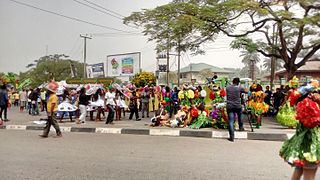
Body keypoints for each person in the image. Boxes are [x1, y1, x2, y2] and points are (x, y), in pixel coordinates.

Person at [226, 77, 246, 142]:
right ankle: (241, 127)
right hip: (237, 106)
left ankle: (232, 136)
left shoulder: (228, 88)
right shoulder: (239, 88)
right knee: (240, 114)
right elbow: (247, 91)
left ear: (233, 81)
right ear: (238, 82)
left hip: (230, 106)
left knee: (231, 121)